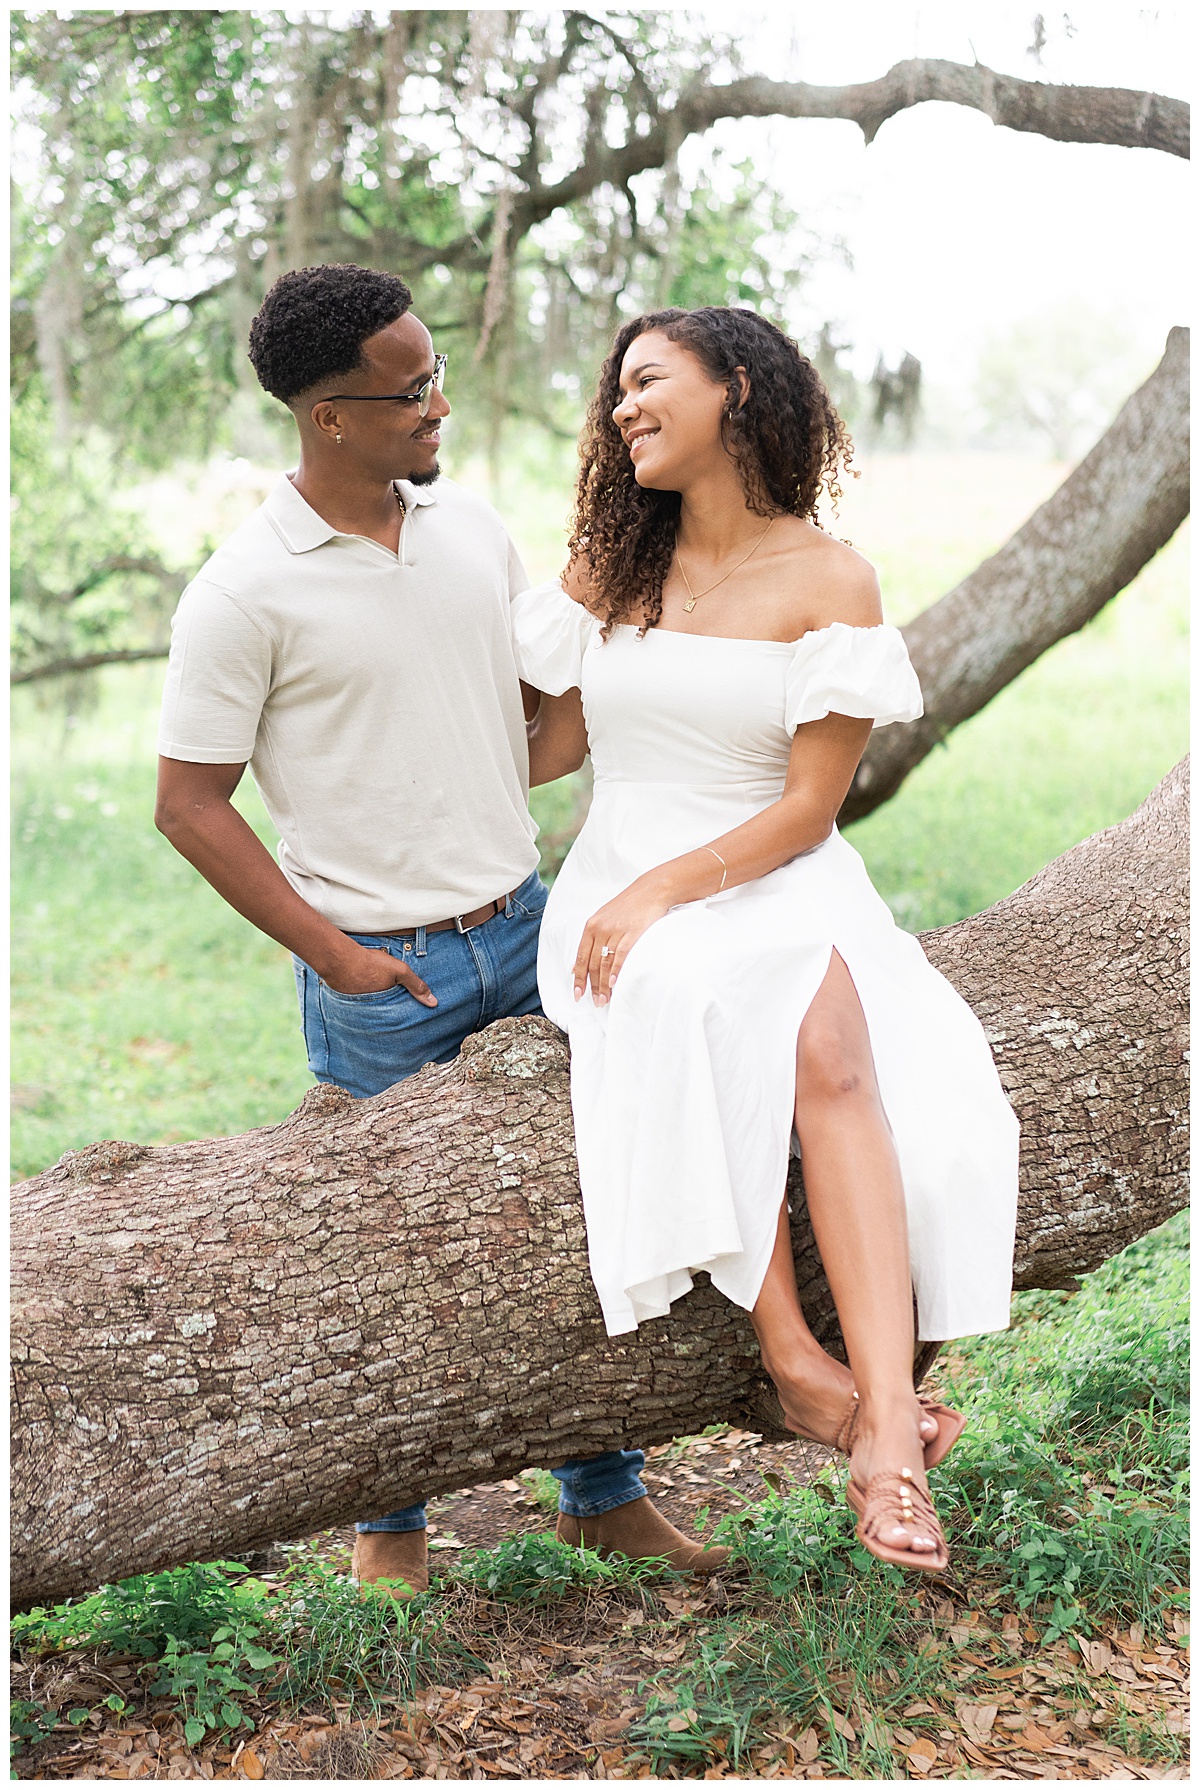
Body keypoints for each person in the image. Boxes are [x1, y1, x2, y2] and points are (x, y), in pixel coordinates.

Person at [153, 264, 728, 1598]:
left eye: (436, 374)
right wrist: (337, 953)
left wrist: (628, 652)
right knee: (386, 1251)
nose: (438, 406)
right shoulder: (242, 593)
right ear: (328, 418)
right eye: (408, 390)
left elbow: (526, 735)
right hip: (379, 974)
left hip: (529, 930)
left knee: (583, 1212)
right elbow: (189, 806)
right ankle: (391, 1525)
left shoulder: (470, 530)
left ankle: (602, 1491)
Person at [512, 306, 1020, 1573]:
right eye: (614, 393)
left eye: (648, 381)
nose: (622, 408)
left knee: (832, 1047)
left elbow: (808, 806)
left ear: (736, 386)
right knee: (712, 998)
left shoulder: (829, 581)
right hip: (621, 877)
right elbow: (544, 753)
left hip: (771, 870)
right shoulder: (604, 569)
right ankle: (800, 1360)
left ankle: (874, 1423)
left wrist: (675, 889)